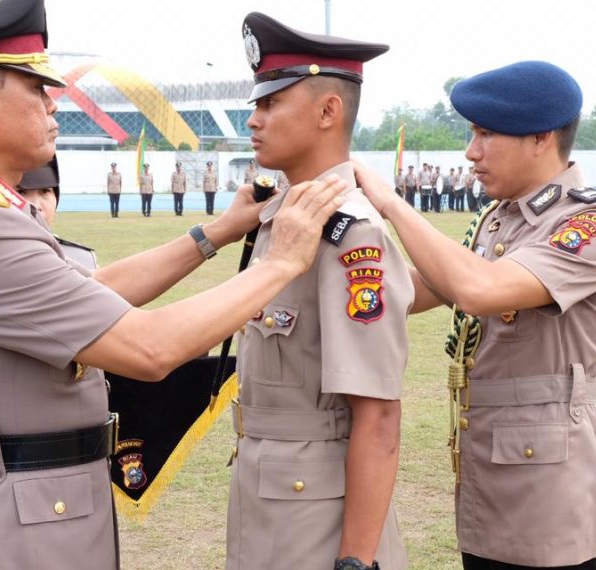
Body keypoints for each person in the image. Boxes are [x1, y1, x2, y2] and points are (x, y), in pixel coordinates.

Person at [0, 1, 347, 567]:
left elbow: (95, 289)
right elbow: (149, 347)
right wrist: (279, 265)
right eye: (38, 91)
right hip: (9, 528)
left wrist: (217, 232)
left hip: (26, 507)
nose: (53, 105)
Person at [352, 60, 596, 570]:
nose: (471, 152)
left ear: (540, 137)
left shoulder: (594, 223)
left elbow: (480, 290)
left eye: (485, 133)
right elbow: (418, 292)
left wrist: (391, 205)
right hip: (491, 471)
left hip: (549, 492)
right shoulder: (499, 217)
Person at [230, 12, 412, 570]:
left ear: (328, 111)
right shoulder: (281, 217)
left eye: (270, 104)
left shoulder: (348, 233)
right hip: (268, 490)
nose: (254, 119)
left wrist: (355, 562)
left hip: (316, 509)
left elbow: (378, 418)